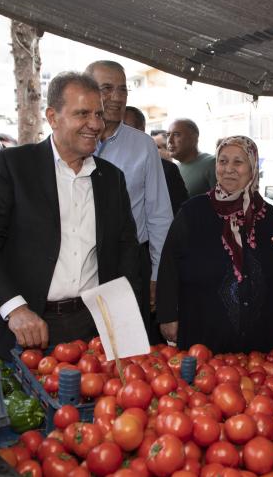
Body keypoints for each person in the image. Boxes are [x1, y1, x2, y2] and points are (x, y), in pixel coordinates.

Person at [0, 71, 140, 358]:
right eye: (82, 113)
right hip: (26, 326)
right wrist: (15, 309)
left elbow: (126, 251)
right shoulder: (14, 166)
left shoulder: (111, 178)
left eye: (98, 114)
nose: (95, 124)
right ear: (52, 117)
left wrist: (123, 323)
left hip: (94, 327)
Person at [156, 135, 273, 353]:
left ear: (253, 167)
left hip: (260, 328)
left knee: (258, 384)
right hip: (203, 326)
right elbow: (169, 264)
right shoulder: (193, 211)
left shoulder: (269, 216)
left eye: (238, 162)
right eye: (222, 161)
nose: (229, 169)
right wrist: (168, 315)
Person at [85, 60, 172, 344]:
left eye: (123, 90)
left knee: (126, 349)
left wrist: (158, 274)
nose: (118, 97)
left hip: (130, 265)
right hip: (79, 264)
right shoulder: (73, 142)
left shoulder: (143, 146)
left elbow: (159, 215)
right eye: (107, 88)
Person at [167, 118, 217, 196]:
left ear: (194, 137)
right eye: (168, 135)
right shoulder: (174, 168)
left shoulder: (212, 164)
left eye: (176, 134)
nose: (169, 140)